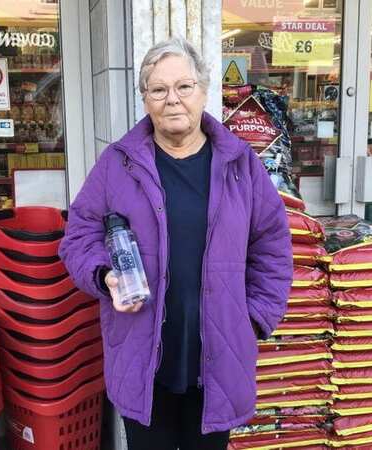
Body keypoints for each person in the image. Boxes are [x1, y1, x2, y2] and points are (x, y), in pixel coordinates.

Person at [59, 36, 292, 450]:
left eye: (184, 86)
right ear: (145, 99)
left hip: (219, 358)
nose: (173, 100)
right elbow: (78, 234)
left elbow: (272, 246)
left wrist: (253, 319)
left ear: (203, 91)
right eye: (158, 89)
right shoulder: (118, 163)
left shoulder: (240, 165)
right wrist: (104, 275)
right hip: (142, 357)